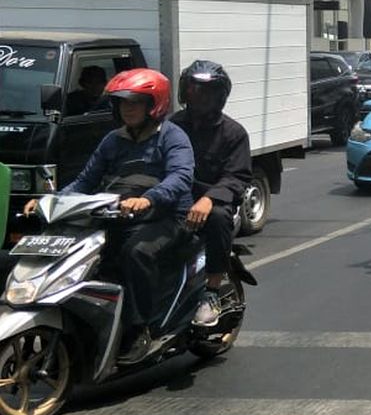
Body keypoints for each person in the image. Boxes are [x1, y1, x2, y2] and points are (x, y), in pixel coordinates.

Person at [26, 69, 194, 363]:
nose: (127, 109)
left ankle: (144, 327)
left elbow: (180, 178)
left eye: (135, 102)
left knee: (136, 253)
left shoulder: (172, 137)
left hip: (166, 218)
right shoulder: (112, 140)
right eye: (122, 103)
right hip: (116, 216)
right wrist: (49, 201)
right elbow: (85, 181)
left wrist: (147, 199)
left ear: (154, 104)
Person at [170, 60, 252, 326]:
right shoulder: (173, 126)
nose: (199, 97)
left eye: (206, 91)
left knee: (217, 217)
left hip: (213, 203)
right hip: (175, 200)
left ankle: (211, 292)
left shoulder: (234, 133)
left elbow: (236, 177)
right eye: (194, 90)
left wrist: (208, 198)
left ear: (220, 95)